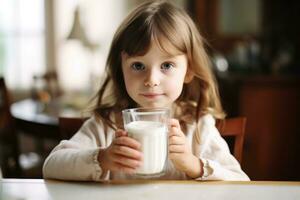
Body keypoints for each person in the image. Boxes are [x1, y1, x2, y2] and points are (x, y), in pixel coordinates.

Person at [43, 0, 249, 181]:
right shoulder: (107, 124)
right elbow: (52, 165)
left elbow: (240, 182)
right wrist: (103, 158)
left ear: (189, 71)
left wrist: (193, 165)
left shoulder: (197, 125)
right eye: (138, 66)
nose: (151, 80)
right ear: (121, 69)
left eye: (167, 66)